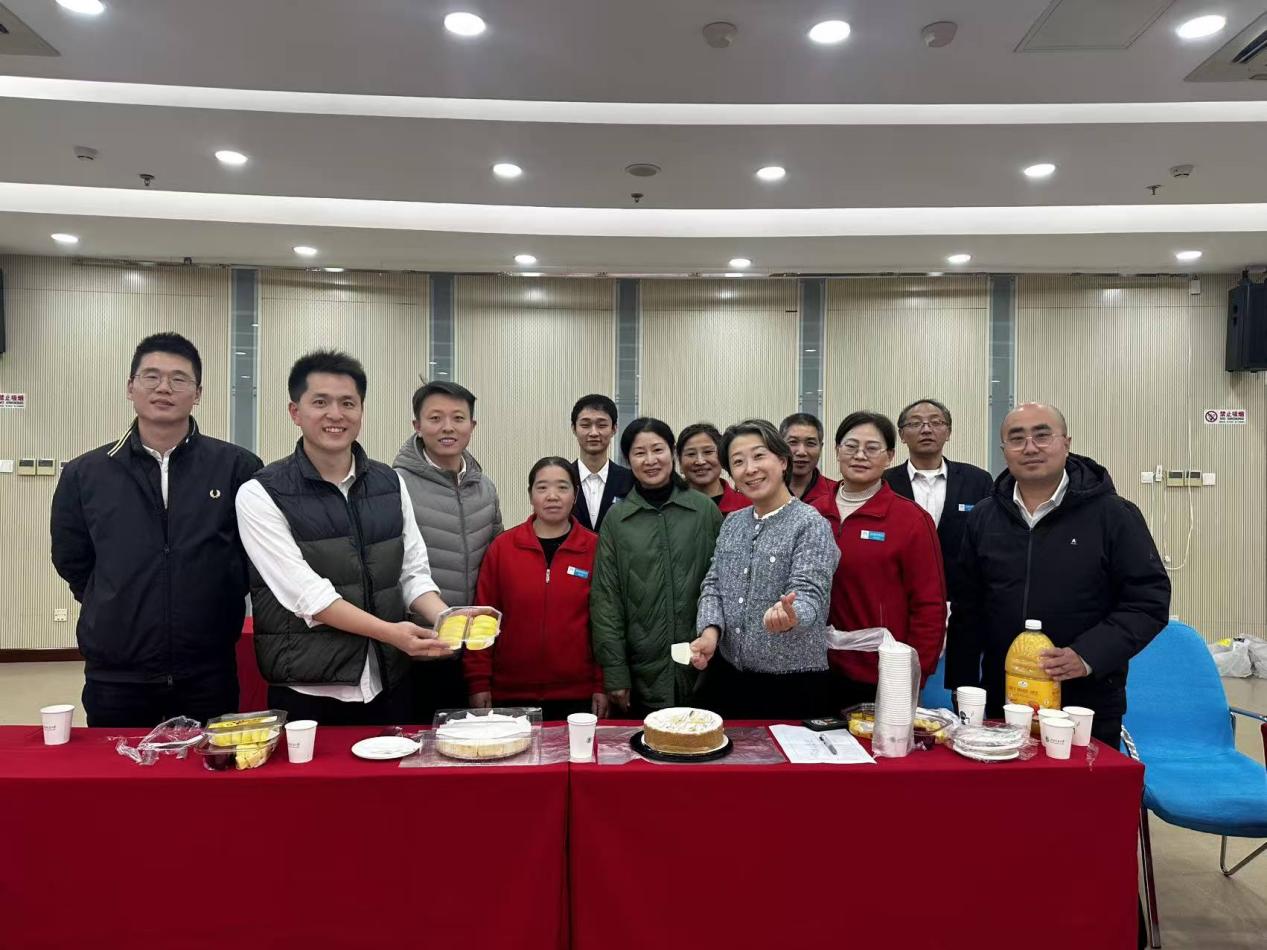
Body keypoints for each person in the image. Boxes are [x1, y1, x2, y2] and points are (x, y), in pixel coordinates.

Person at [50, 333, 262, 728]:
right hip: (117, 673)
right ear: (130, 387)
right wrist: (113, 601)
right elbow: (71, 558)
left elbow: (252, 556)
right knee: (116, 767)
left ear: (198, 393)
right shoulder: (85, 473)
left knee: (209, 765)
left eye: (179, 379)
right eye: (151, 376)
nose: (164, 388)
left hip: (208, 668)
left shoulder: (237, 467)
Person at [236, 350, 453, 725]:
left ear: (361, 411)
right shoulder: (260, 493)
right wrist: (392, 634)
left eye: (348, 403)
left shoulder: (390, 482)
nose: (336, 414)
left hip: (390, 682)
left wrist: (450, 620)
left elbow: (412, 573)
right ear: (295, 412)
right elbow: (309, 597)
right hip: (309, 690)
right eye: (320, 402)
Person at [946, 403, 1170, 746]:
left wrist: (1086, 655)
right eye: (1016, 438)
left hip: (1085, 700)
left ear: (1066, 443)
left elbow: (1147, 602)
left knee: (1078, 780)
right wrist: (961, 688)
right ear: (1004, 450)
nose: (1030, 447)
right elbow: (967, 610)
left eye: (1042, 435)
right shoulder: (984, 517)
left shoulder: (1113, 515)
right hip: (1001, 697)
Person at [690, 420, 839, 719]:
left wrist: (792, 615)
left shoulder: (811, 524)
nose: (750, 469)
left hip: (792, 685)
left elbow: (810, 592)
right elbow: (713, 585)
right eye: (738, 462)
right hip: (728, 678)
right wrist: (709, 634)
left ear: (782, 461)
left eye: (759, 456)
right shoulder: (733, 523)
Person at [811, 411, 946, 708]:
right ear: (836, 451)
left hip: (881, 673)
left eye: (872, 448)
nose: (860, 455)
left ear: (890, 456)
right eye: (851, 446)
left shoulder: (910, 520)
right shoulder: (811, 513)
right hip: (813, 669)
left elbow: (929, 606)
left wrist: (915, 674)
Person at [590, 418, 723, 715]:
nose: (650, 460)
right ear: (628, 460)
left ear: (672, 452)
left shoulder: (704, 511)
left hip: (703, 666)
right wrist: (615, 671)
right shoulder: (617, 520)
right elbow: (606, 601)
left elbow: (724, 585)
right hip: (642, 674)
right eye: (639, 453)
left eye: (658, 450)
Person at [465, 458, 608, 720]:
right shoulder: (503, 548)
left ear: (575, 495)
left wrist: (601, 684)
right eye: (542, 488)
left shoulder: (595, 548)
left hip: (577, 694)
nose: (552, 496)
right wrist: (478, 681)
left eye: (562, 487)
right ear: (531, 495)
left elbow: (605, 623)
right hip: (509, 693)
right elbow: (483, 618)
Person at [394, 379, 503, 721]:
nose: (447, 427)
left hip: (474, 650)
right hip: (417, 647)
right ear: (417, 425)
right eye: (435, 418)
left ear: (472, 425)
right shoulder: (394, 484)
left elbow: (495, 563)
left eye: (458, 418)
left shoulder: (485, 488)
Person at [884, 398, 993, 601]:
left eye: (936, 422)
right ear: (902, 435)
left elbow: (989, 541)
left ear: (948, 432)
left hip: (962, 599)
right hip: (898, 596)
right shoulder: (884, 483)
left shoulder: (978, 480)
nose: (926, 429)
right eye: (915, 423)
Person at [569, 394, 634, 533]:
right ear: (574, 428)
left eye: (602, 425)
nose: (593, 433)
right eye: (585, 425)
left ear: (614, 429)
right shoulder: (562, 479)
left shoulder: (631, 480)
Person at [676, 422, 751, 514]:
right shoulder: (668, 508)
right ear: (679, 462)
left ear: (722, 456)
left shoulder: (749, 505)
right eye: (691, 454)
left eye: (708, 452)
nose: (700, 461)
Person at [780, 412, 839, 506]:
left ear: (821, 448)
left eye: (810, 443)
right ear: (779, 445)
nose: (801, 452)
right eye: (793, 442)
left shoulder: (836, 495)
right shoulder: (762, 492)